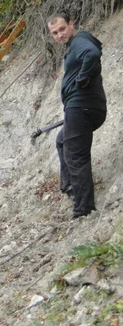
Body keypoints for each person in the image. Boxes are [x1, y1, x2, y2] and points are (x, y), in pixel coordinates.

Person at [47, 13, 107, 218]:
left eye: (62, 29)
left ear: (71, 24)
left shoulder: (80, 40)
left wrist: (82, 79)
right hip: (84, 108)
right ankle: (69, 186)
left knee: (76, 156)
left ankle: (83, 209)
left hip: (81, 107)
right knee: (62, 141)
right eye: (55, 33)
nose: (60, 35)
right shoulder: (73, 46)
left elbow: (92, 53)